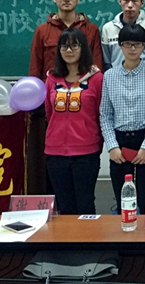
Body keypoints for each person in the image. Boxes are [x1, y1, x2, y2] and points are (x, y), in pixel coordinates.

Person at [29, 0, 103, 195]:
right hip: (52, 111)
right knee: (55, 186)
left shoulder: (91, 30)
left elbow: (97, 69)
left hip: (84, 111)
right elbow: (35, 72)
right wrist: (38, 110)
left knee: (84, 192)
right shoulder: (42, 31)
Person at [100, 24, 145, 214]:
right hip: (119, 143)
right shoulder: (109, 76)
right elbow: (105, 114)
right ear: (120, 45)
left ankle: (144, 235)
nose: (133, 48)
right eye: (127, 44)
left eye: (138, 44)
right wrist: (112, 147)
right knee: (124, 203)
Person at [44, 28, 103, 215]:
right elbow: (49, 112)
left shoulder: (96, 78)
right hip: (55, 153)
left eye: (74, 46)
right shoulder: (51, 79)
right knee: (65, 206)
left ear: (83, 48)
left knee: (85, 204)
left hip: (86, 153)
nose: (69, 50)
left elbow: (100, 114)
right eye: (64, 46)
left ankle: (88, 237)